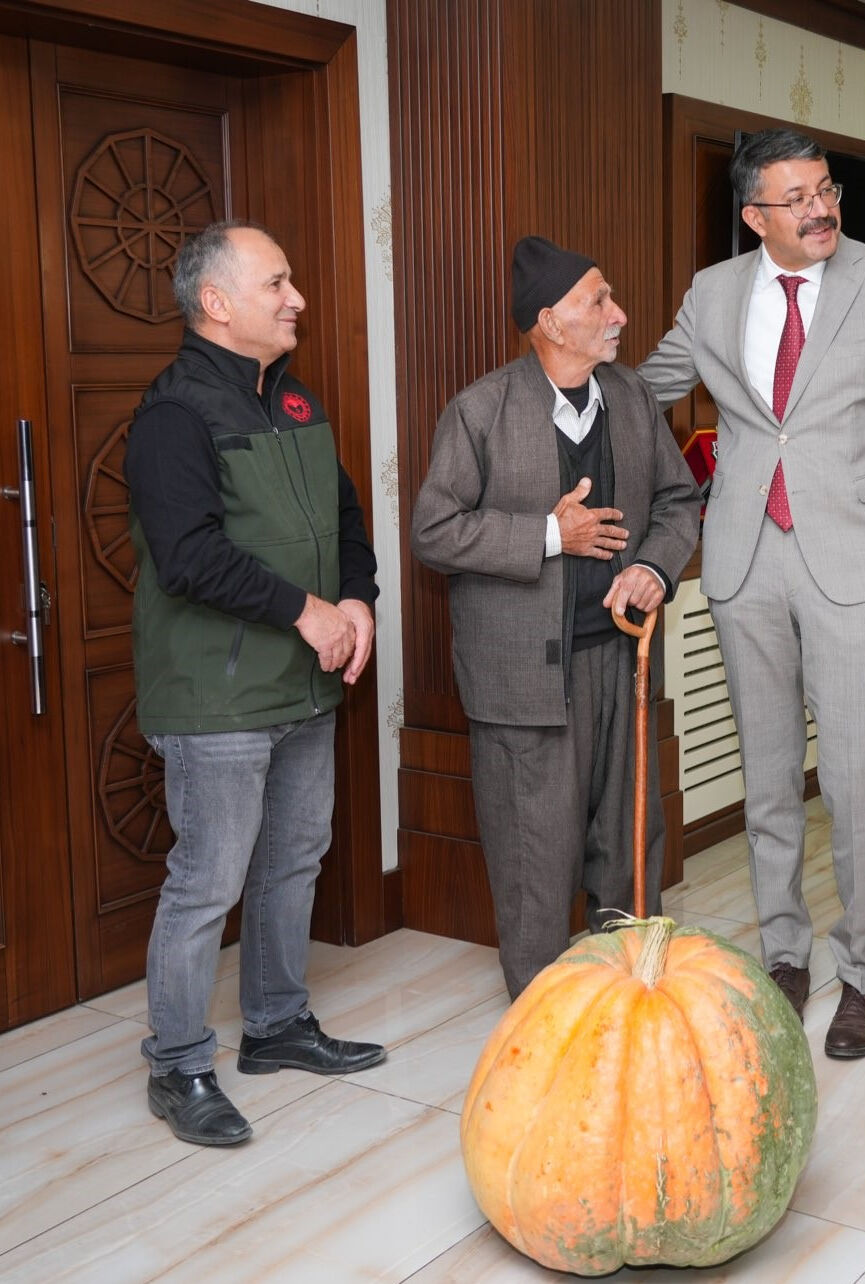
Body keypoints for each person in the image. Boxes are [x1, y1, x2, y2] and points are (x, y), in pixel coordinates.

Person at [638, 128, 865, 1059]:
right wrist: (554, 372)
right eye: (797, 197)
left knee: (856, 779)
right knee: (768, 777)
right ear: (754, 216)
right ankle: (784, 954)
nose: (820, 209)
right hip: (743, 558)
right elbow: (645, 388)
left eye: (827, 190)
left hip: (857, 558)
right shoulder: (712, 292)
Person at [125, 221, 386, 1148]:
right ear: (218, 304)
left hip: (304, 687)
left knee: (292, 858)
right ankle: (179, 1064)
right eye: (277, 282)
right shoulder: (174, 415)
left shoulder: (294, 398)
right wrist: (307, 611)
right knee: (207, 882)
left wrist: (355, 599)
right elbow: (190, 557)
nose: (297, 298)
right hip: (217, 697)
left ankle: (274, 1027)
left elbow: (346, 510)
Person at [411, 237, 700, 1000]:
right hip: (525, 680)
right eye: (598, 301)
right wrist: (550, 534)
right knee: (534, 858)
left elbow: (678, 501)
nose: (620, 315)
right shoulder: (482, 410)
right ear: (549, 321)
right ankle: (546, 1026)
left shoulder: (633, 398)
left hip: (624, 663)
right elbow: (433, 532)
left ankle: (634, 1005)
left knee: (631, 846)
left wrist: (652, 566)